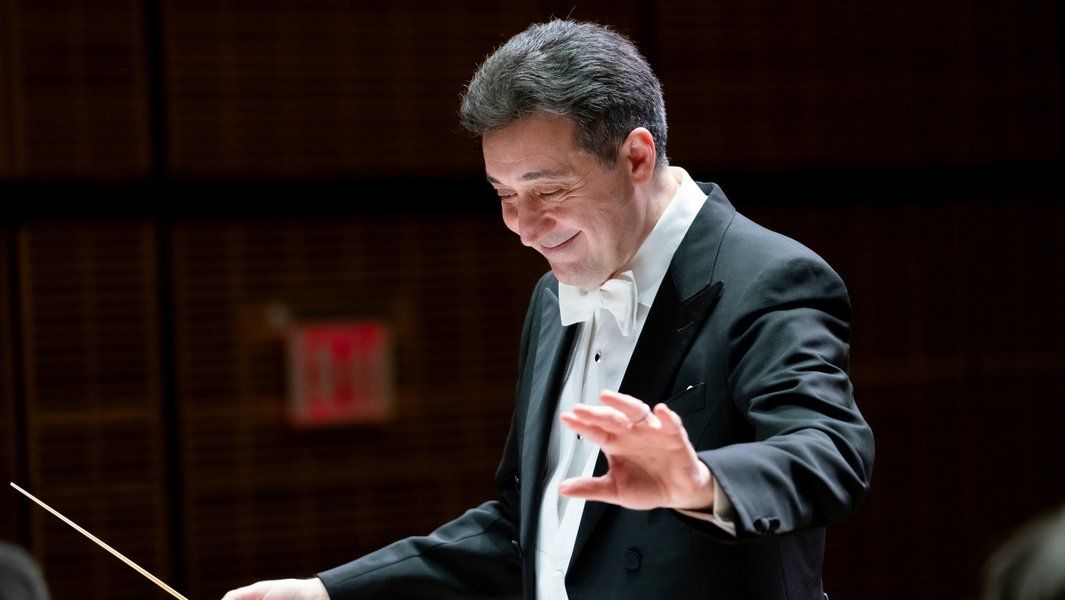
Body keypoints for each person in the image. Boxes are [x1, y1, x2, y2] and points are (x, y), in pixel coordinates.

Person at [223, 19, 875, 600]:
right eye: (503, 195)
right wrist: (326, 592)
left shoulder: (767, 278)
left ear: (636, 157)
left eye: (548, 190)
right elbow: (524, 525)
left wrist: (700, 481)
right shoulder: (549, 298)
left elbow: (830, 453)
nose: (522, 227)